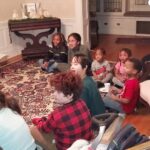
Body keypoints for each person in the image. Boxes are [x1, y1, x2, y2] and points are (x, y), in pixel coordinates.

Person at [31, 71, 94, 150]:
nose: (54, 94)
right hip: (86, 144)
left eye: (58, 91)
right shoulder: (82, 102)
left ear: (70, 95)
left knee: (33, 129)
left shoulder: (57, 114)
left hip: (68, 148)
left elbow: (44, 128)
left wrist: (37, 120)